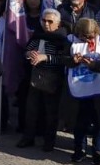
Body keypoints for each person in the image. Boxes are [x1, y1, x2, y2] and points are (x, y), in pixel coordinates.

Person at [67, 16, 100, 165]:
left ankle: (98, 151)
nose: (87, 40)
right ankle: (79, 150)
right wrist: (73, 61)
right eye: (83, 36)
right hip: (79, 88)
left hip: (99, 88)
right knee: (80, 121)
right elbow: (63, 59)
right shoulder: (70, 41)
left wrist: (94, 65)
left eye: (90, 36)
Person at [21, 8, 68, 151]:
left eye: (50, 22)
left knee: (50, 112)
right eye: (44, 21)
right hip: (36, 77)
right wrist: (29, 53)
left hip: (52, 78)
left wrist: (45, 57)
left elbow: (64, 59)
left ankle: (49, 141)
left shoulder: (62, 39)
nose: (46, 24)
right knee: (31, 109)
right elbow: (26, 49)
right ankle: (28, 137)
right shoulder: (38, 35)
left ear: (57, 24)